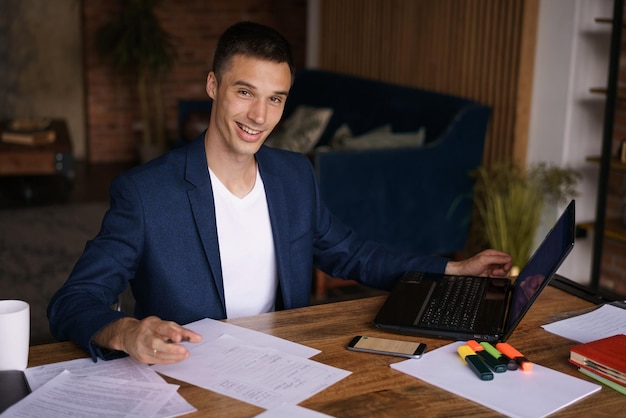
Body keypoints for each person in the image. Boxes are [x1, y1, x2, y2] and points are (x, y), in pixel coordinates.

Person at [48, 21, 511, 365]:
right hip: (190, 377)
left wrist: (453, 268)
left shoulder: (294, 175)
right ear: (213, 86)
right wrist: (128, 331)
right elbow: (74, 300)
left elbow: (353, 254)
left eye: (275, 98)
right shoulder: (146, 193)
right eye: (245, 92)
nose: (259, 116)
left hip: (285, 369)